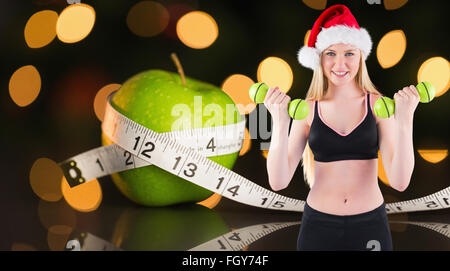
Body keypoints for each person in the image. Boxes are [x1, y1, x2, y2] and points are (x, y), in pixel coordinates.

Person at [265, 4, 419, 251]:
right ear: (319, 58)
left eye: (349, 53)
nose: (340, 63)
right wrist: (280, 121)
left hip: (371, 224)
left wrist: (406, 119)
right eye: (330, 54)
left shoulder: (378, 105)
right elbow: (278, 181)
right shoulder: (307, 109)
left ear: (361, 56)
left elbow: (400, 182)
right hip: (317, 226)